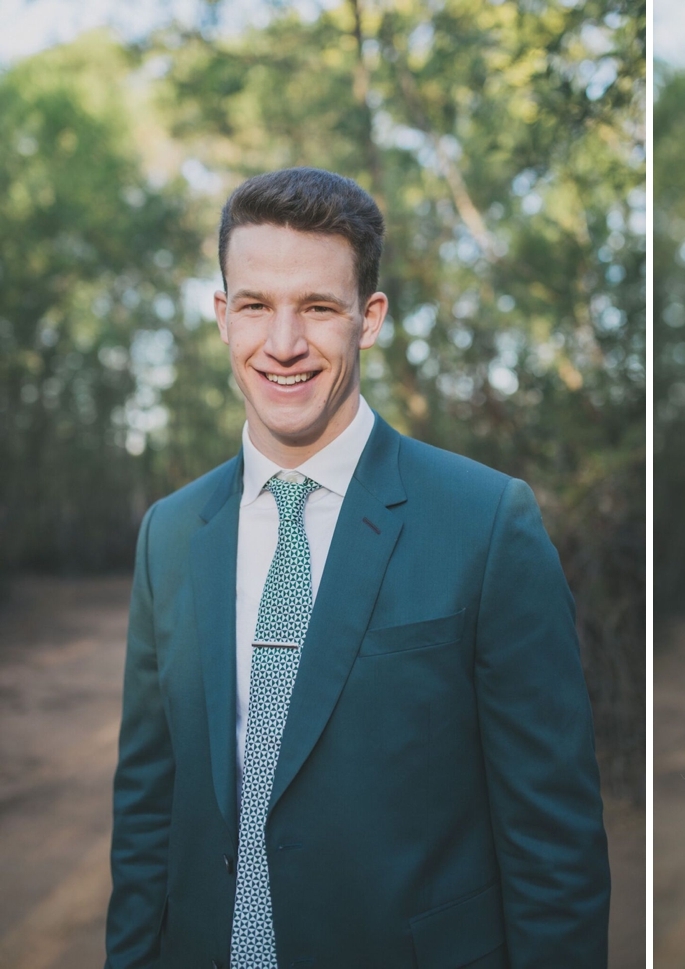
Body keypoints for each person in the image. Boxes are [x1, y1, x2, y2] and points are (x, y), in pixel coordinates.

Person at [105, 167, 610, 969]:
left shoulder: (486, 522)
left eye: (317, 307)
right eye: (255, 305)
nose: (282, 344)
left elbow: (553, 844)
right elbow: (145, 813)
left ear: (368, 318)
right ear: (220, 314)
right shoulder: (169, 534)